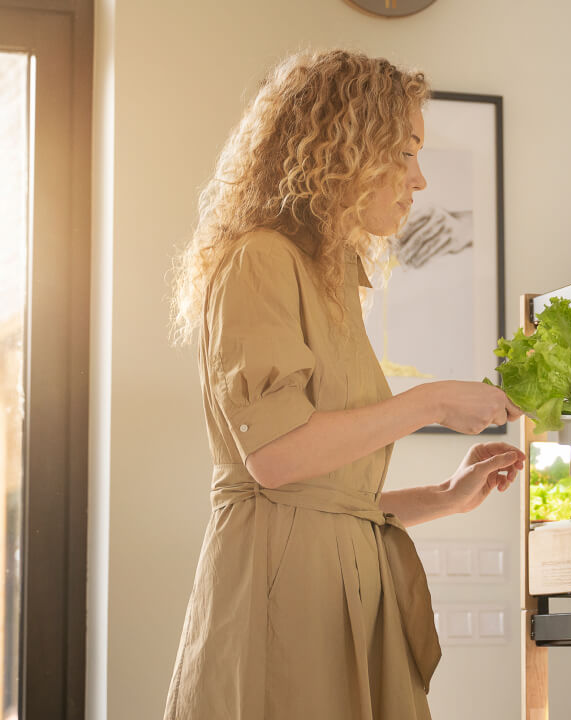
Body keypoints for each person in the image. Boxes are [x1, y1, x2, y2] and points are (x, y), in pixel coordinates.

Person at [164, 48, 524, 720]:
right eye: (405, 152)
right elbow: (276, 459)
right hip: (281, 599)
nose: (419, 179)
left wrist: (447, 495)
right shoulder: (260, 261)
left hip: (335, 590)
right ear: (346, 147)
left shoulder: (329, 278)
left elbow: (325, 497)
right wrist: (434, 401)